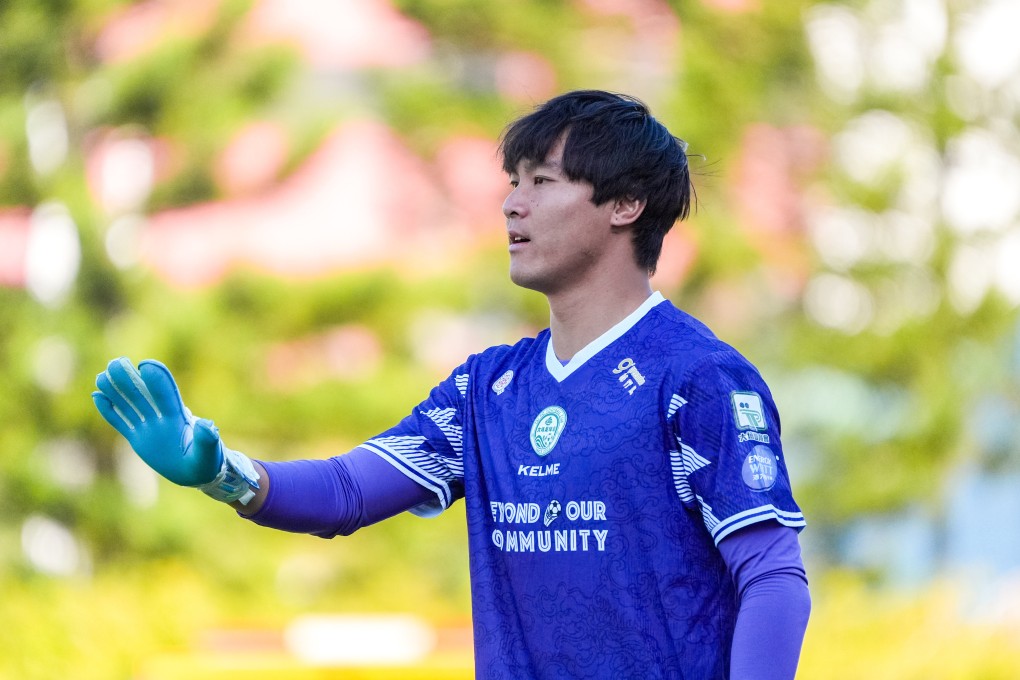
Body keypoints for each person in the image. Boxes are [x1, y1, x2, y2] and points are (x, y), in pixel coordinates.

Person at [93, 90, 810, 679]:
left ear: (625, 205)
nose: (511, 205)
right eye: (512, 182)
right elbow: (346, 492)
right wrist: (223, 473)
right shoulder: (485, 389)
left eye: (542, 182)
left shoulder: (698, 377)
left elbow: (772, 576)